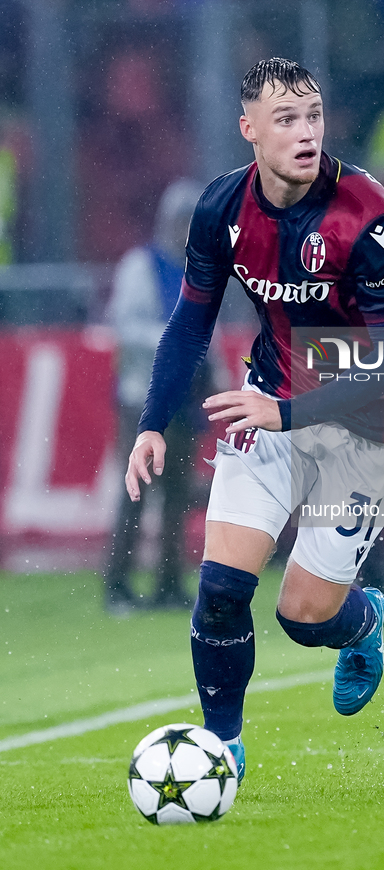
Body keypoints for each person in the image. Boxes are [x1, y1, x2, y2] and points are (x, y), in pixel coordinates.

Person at [125, 58, 384, 783]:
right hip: (272, 401)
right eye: (286, 120)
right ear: (249, 131)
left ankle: (361, 622)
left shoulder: (369, 215)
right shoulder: (220, 209)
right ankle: (221, 750)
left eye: (314, 117)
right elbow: (188, 324)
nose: (305, 133)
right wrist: (151, 421)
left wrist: (285, 409)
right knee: (223, 589)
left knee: (302, 616)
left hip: (373, 424)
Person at [105, 178, 211, 613]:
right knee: (135, 492)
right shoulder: (140, 266)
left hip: (181, 399)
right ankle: (118, 585)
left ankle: (169, 582)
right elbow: (122, 327)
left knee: (177, 496)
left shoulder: (198, 269)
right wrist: (171, 340)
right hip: (142, 397)